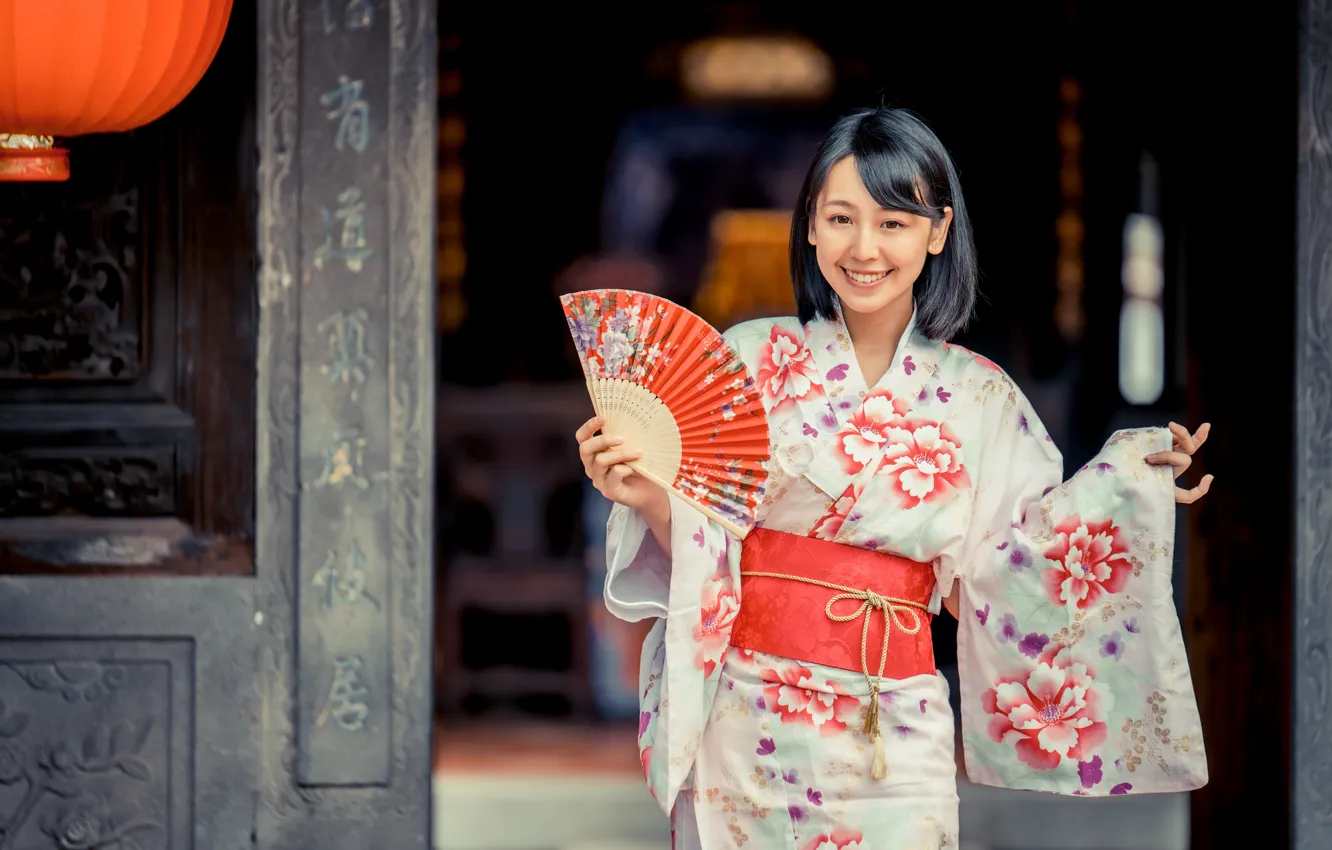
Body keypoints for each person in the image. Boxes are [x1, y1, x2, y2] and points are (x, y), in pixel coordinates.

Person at [574, 107, 1212, 849]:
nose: (865, 248)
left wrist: (1128, 488)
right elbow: (704, 547)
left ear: (937, 232)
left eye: (893, 223)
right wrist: (648, 496)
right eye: (841, 219)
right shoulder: (745, 361)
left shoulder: (981, 398)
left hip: (896, 724)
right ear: (810, 226)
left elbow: (1018, 565)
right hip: (745, 722)